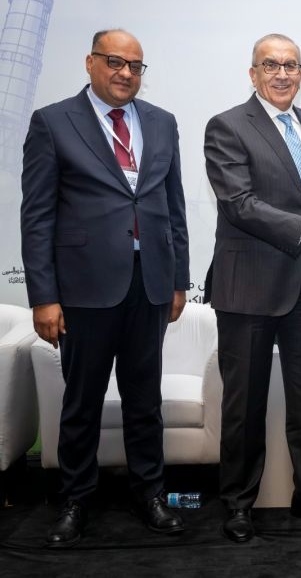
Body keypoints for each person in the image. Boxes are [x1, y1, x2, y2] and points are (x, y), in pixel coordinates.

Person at [21, 29, 189, 547]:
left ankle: (150, 494)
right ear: (90, 62)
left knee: (145, 401)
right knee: (82, 402)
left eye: (135, 66)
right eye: (115, 62)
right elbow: (38, 217)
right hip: (84, 288)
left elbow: (174, 207)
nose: (125, 73)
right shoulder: (53, 122)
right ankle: (75, 500)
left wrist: (178, 280)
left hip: (150, 284)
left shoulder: (162, 122)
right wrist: (43, 296)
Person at [204, 33, 301, 543]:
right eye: (271, 65)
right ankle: (238, 504)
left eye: (291, 65)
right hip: (248, 286)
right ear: (253, 74)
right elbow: (238, 203)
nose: (282, 74)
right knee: (243, 406)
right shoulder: (227, 126)